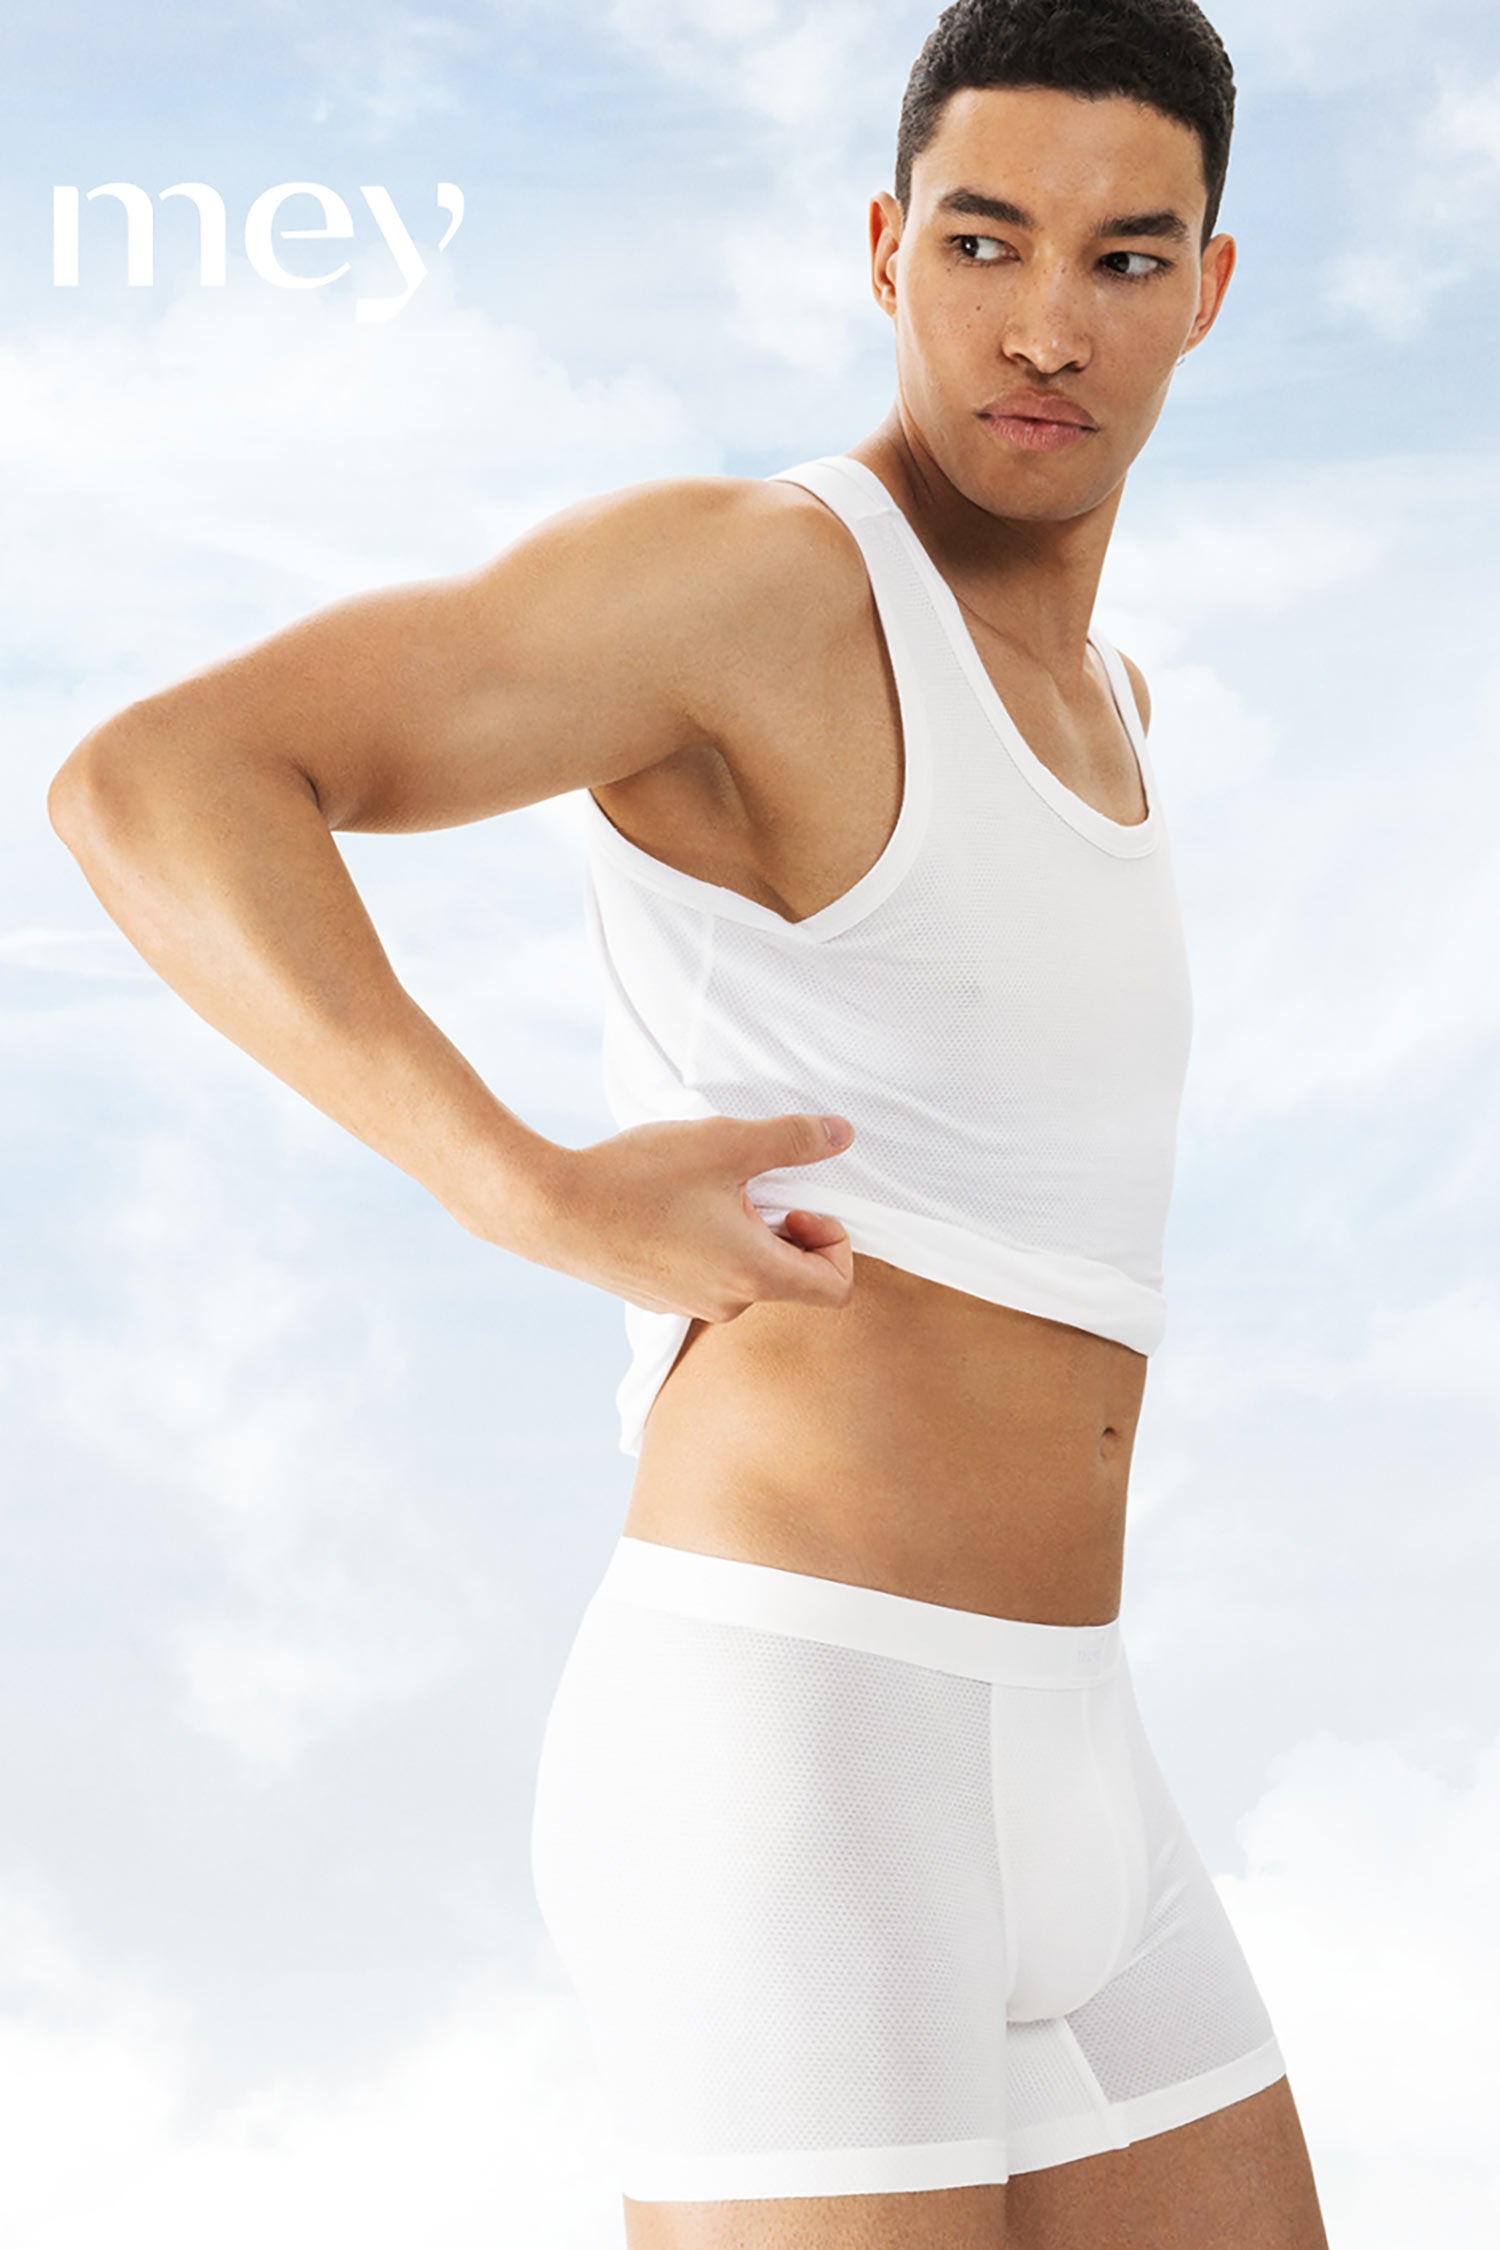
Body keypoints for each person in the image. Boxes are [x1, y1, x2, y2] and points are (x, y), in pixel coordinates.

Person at [48, 0, 1332, 2240]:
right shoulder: (762, 585)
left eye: (1125, 259)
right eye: (984, 240)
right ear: (885, 248)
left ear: (1209, 288)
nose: (1048, 324)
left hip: (1080, 1748)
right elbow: (155, 781)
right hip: (798, 1739)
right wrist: (517, 1185)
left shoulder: (1111, 704)